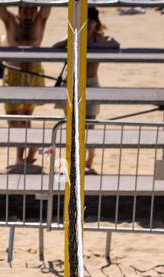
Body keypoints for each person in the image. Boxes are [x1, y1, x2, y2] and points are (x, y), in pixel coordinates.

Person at [53, 6, 120, 174]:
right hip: (72, 81)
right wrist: (73, 38)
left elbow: (115, 44)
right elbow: (55, 46)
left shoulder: (100, 39)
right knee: (71, 123)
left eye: (91, 21)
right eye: (85, 20)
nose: (88, 24)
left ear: (96, 23)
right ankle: (74, 159)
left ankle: (89, 158)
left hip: (90, 82)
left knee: (90, 124)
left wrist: (91, 38)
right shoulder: (73, 37)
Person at [0, 4, 53, 169]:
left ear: (36, 10)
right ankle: (31, 147)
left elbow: (48, 6)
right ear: (19, 10)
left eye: (31, 11)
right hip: (13, 73)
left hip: (33, 74)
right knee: (13, 120)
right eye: (25, 10)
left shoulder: (40, 20)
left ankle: (21, 157)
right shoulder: (11, 21)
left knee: (26, 117)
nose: (28, 15)